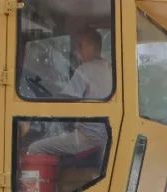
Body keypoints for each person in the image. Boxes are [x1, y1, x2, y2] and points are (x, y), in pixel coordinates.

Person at [26, 29, 112, 157]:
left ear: (91, 47)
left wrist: (48, 97)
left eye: (81, 46)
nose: (78, 50)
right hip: (106, 134)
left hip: (88, 137)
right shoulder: (109, 69)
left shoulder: (85, 69)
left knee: (34, 148)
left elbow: (67, 99)